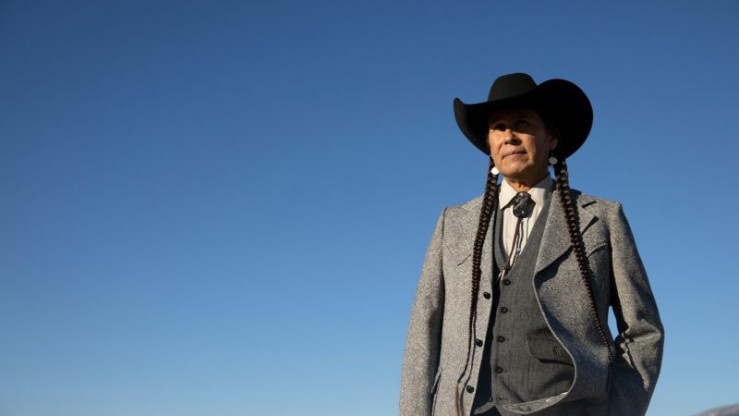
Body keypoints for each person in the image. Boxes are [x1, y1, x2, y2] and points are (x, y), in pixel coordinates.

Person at [399, 73, 664, 416]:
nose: (509, 136)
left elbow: (643, 331)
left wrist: (619, 411)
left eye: (522, 124)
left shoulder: (602, 219)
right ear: (490, 144)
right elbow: (424, 331)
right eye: (498, 127)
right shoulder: (454, 223)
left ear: (551, 138)